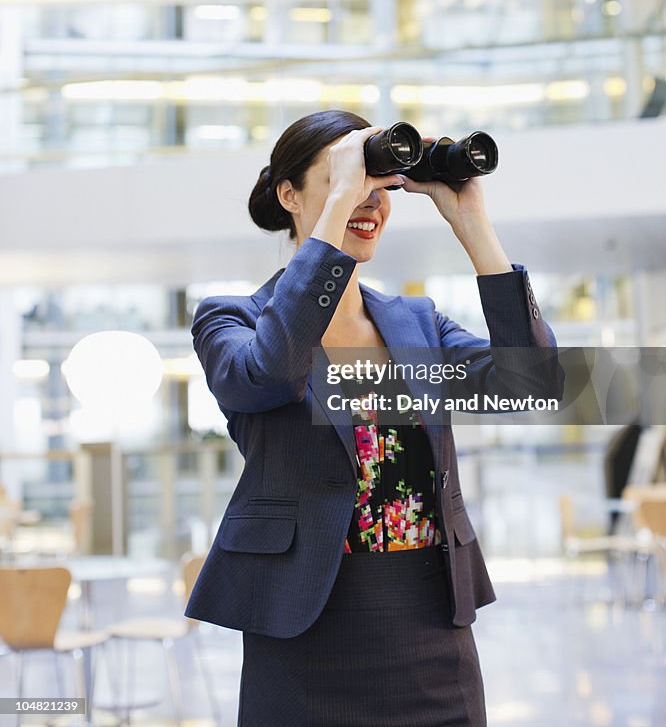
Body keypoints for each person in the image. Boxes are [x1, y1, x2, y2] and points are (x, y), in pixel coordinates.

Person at [185, 109, 563, 727]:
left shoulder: (418, 324)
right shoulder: (233, 320)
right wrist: (338, 206)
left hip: (431, 629)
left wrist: (474, 226)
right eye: (347, 179)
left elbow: (532, 386)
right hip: (305, 631)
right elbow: (275, 371)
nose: (369, 200)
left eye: (379, 186)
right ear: (290, 195)